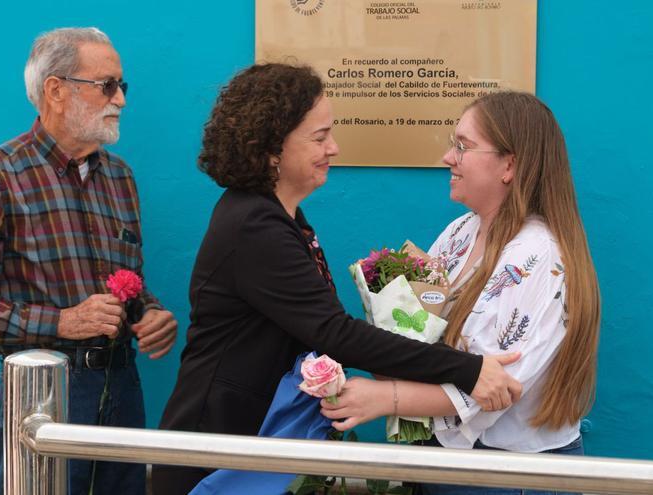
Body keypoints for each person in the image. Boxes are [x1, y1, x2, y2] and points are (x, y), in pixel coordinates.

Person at [152, 63, 524, 495]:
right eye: (319, 137)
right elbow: (333, 333)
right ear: (273, 149)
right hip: (217, 457)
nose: (334, 148)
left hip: (250, 445)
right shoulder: (255, 226)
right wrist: (468, 370)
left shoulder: (279, 218)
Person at [320, 91, 601, 495]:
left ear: (510, 164)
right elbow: (432, 345)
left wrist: (385, 397)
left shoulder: (538, 256)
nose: (448, 158)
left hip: (509, 477)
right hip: (451, 463)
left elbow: (494, 387)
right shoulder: (459, 233)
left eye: (463, 147)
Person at [0, 27, 177, 495]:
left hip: (122, 383)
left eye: (121, 86)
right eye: (107, 85)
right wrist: (62, 322)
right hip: (43, 391)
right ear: (56, 90)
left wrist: (150, 314)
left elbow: (127, 284)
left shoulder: (119, 177)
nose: (120, 99)